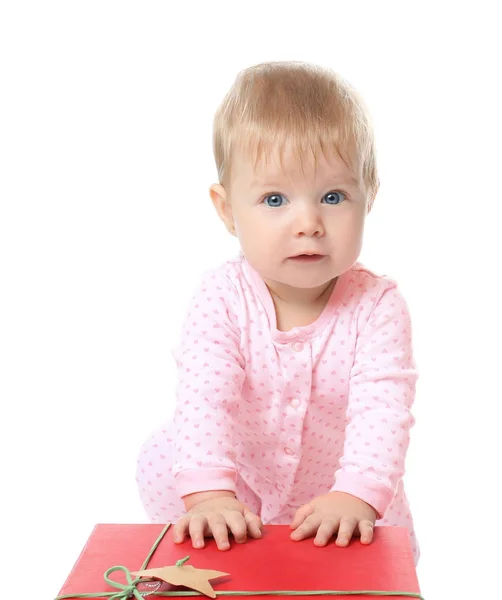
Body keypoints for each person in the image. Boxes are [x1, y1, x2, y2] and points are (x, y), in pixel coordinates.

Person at [136, 61, 420, 564]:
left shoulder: (377, 306)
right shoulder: (222, 296)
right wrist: (211, 496)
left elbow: (384, 410)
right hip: (239, 481)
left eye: (333, 196)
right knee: (174, 470)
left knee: (369, 554)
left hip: (339, 486)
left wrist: (356, 493)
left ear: (369, 194)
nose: (308, 222)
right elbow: (205, 397)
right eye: (274, 199)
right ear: (227, 210)